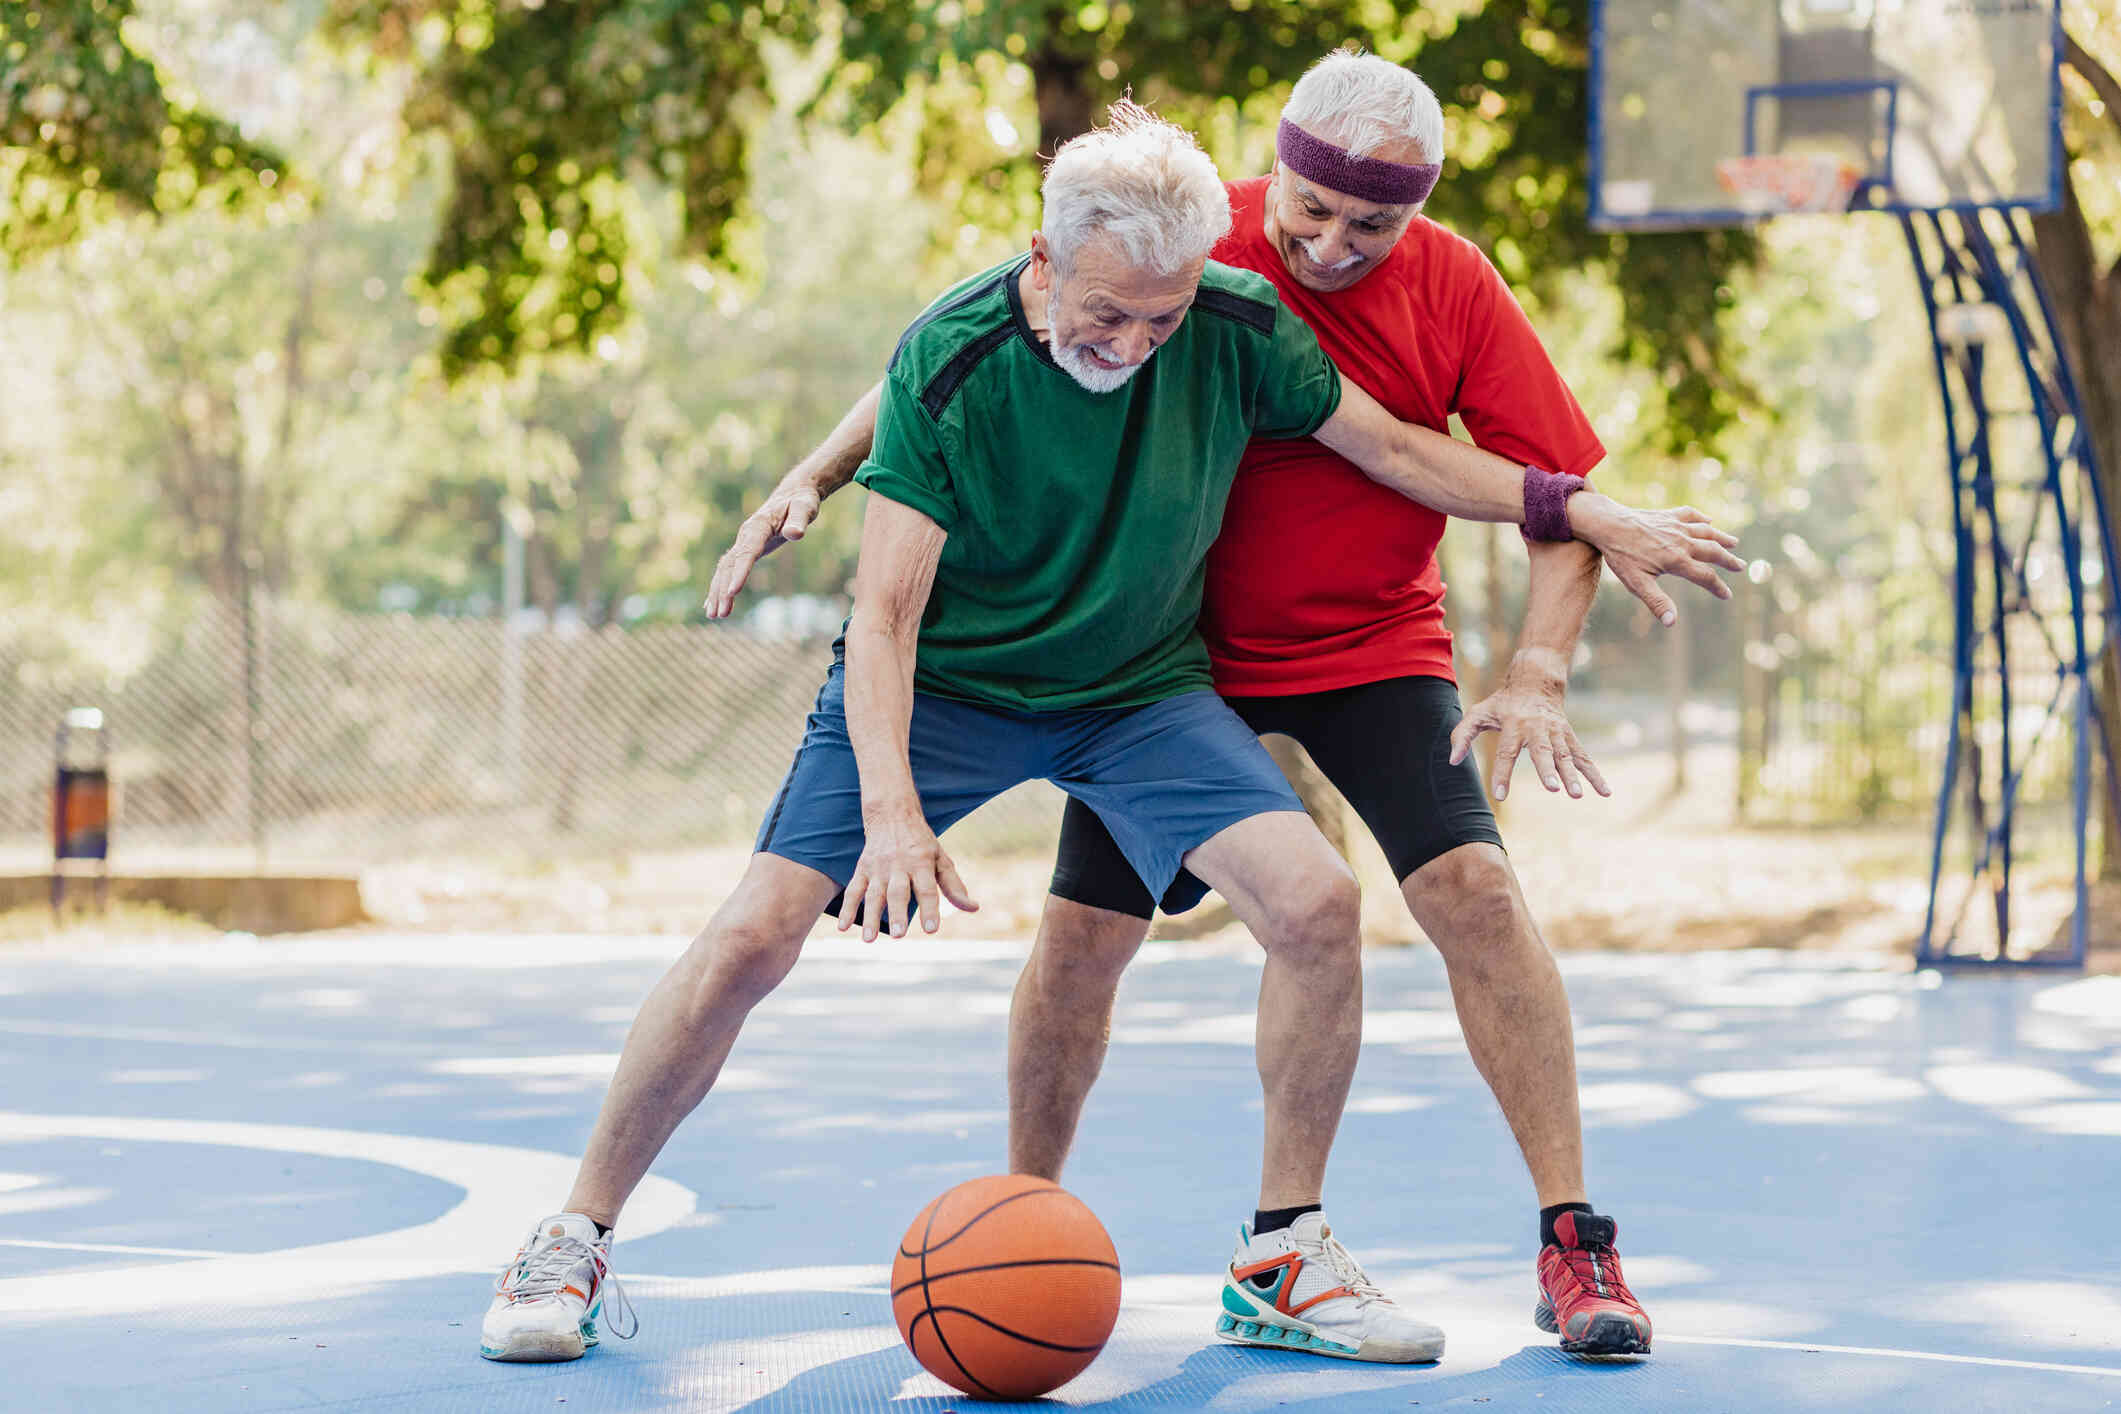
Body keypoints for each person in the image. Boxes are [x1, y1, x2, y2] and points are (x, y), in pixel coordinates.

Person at [486, 99, 1737, 1368]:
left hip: (1139, 692)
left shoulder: (1235, 319)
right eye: (1107, 313)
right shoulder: (955, 358)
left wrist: (1574, 506)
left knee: (1313, 906)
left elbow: (1401, 452)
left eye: (1162, 314)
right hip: (953, 687)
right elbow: (884, 618)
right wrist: (889, 812)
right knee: (753, 932)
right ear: (1040, 262)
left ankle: (1281, 1257)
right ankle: (573, 1236)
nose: (1135, 340)